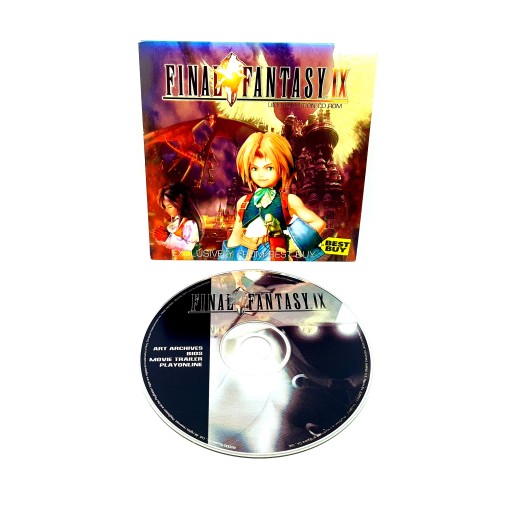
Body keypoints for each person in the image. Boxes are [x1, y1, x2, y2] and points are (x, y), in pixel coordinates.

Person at [220, 131, 326, 261]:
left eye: (269, 168)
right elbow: (236, 235)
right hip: (243, 251)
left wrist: (292, 245)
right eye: (255, 168)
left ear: (281, 168)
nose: (261, 174)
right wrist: (226, 260)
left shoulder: (288, 200)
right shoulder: (243, 201)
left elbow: (318, 223)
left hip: (271, 252)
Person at [153, 182, 203, 260]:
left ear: (179, 203)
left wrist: (167, 238)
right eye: (165, 207)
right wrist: (162, 235)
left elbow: (189, 246)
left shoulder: (189, 223)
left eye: (169, 207)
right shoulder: (177, 221)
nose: (166, 210)